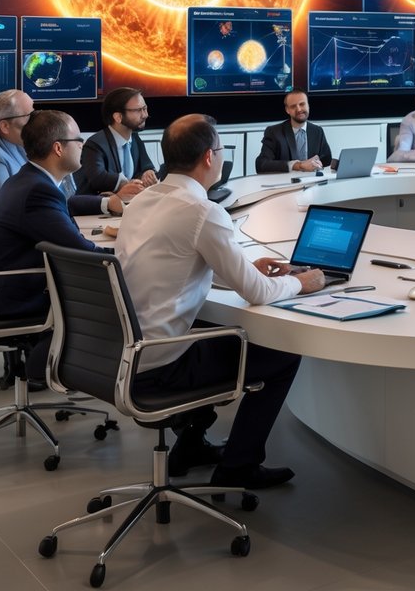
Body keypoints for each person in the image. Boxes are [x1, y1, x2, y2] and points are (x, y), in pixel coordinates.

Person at [116, 114, 326, 488]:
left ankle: (190, 447)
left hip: (130, 350)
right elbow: (258, 294)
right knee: (282, 355)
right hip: (164, 362)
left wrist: (243, 266)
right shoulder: (202, 211)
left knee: (223, 332)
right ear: (209, 158)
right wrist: (303, 283)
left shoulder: (145, 200)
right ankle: (239, 466)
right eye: (221, 149)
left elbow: (175, 265)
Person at [0, 111, 114, 379]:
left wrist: (106, 203)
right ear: (58, 148)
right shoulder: (37, 190)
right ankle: (69, 370)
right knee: (116, 289)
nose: (83, 145)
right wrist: (129, 254)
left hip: (3, 287)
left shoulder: (30, 180)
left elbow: (62, 207)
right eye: (78, 140)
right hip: (13, 297)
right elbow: (83, 253)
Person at [0, 90, 121, 240]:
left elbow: (55, 197)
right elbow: (36, 203)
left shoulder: (19, 146)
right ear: (5, 126)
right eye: (29, 115)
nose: (36, 120)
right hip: (5, 249)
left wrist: (104, 203)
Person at [75, 87, 158, 200]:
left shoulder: (134, 137)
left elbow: (145, 165)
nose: (145, 115)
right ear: (118, 117)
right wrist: (126, 183)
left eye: (145, 108)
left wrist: (147, 172)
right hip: (97, 211)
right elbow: (97, 178)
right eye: (138, 110)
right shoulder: (95, 144)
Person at [255, 90, 332, 174]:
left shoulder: (317, 131)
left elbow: (327, 162)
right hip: (286, 184)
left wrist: (322, 164)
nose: (299, 109)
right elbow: (261, 164)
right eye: (293, 106)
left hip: (313, 182)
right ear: (287, 110)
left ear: (308, 105)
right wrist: (297, 165)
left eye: (302, 104)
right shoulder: (274, 132)